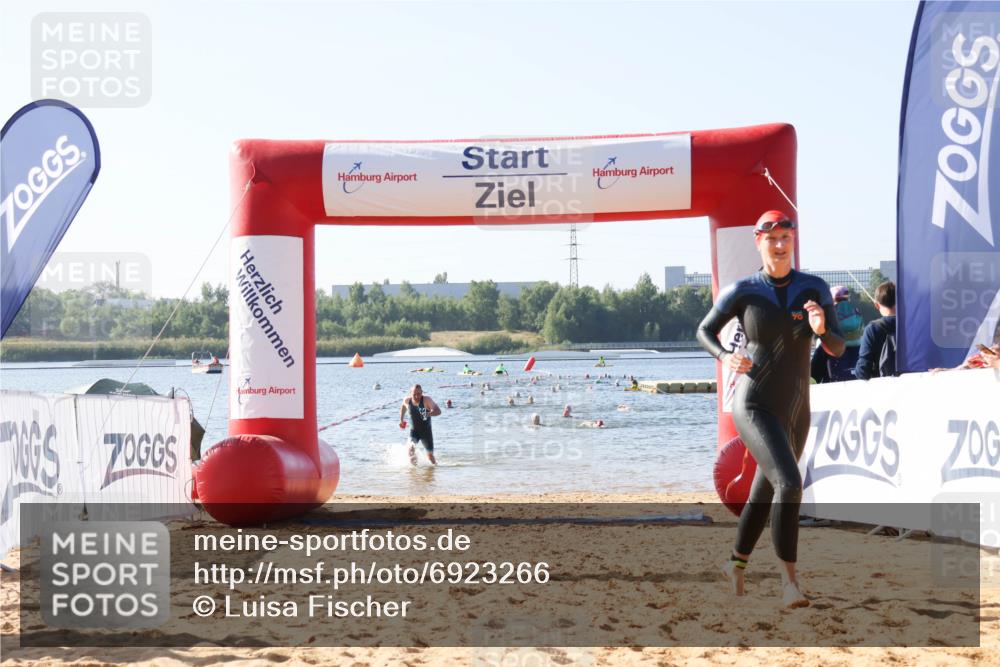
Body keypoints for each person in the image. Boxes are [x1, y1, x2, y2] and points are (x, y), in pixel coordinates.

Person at [696, 210, 845, 608]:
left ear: (793, 241)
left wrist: (821, 331)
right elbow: (704, 331)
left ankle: (735, 564)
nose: (780, 246)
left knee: (766, 491)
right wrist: (726, 355)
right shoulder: (743, 290)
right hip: (755, 403)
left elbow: (838, 347)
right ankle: (789, 584)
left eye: (786, 238)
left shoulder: (813, 288)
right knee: (791, 484)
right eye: (772, 239)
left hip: (797, 408)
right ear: (758, 242)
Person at [810, 286, 863, 383]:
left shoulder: (831, 311)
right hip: (857, 345)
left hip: (834, 348)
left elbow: (813, 376)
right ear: (847, 297)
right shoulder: (856, 310)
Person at [854, 281, 896, 380]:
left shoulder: (872, 329)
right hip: (912, 387)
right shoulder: (912, 325)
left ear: (876, 305)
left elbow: (863, 371)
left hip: (883, 389)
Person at [398, 384, 441, 465]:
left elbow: (438, 411)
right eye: (414, 394)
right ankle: (415, 473)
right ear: (411, 394)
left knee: (430, 456)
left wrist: (428, 414)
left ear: (422, 392)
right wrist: (401, 420)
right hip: (414, 431)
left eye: (419, 394)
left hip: (426, 433)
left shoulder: (427, 400)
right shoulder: (407, 400)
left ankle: (435, 469)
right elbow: (403, 407)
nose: (417, 396)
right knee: (410, 450)